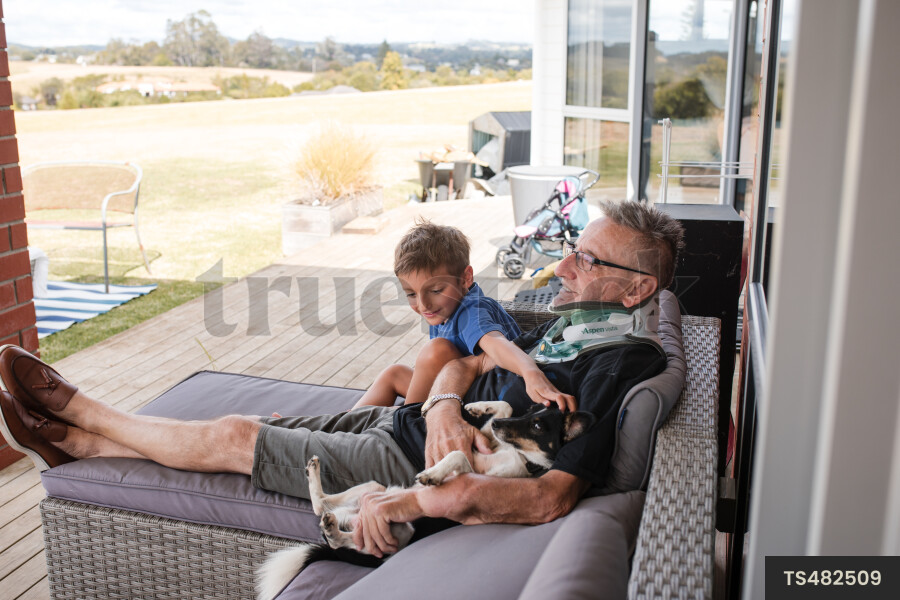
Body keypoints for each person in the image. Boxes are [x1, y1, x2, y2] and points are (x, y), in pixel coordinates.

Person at [0, 199, 684, 559]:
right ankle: (79, 447)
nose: (564, 268)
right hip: (412, 423)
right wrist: (445, 400)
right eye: (572, 253)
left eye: (587, 261)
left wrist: (417, 497)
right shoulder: (575, 327)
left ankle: (80, 409)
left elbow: (550, 498)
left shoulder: (627, 360)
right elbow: (472, 361)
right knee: (253, 428)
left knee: (238, 436)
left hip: (406, 458)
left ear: (637, 289)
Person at [353, 219, 573, 412]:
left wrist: (530, 372)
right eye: (411, 294)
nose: (423, 304)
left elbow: (496, 344)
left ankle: (403, 423)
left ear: (465, 278)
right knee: (394, 373)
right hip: (453, 388)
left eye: (436, 290)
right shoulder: (443, 309)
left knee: (435, 350)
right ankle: (341, 424)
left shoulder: (471, 310)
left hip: (485, 398)